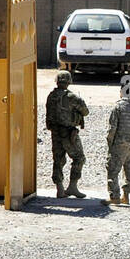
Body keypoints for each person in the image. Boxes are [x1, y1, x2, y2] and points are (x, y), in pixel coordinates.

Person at [45, 70, 89, 198]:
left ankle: (59, 189)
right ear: (69, 81)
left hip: (55, 132)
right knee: (79, 158)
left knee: (58, 160)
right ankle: (72, 187)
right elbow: (85, 112)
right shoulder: (72, 97)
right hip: (69, 133)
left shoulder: (51, 96)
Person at [106, 81, 130, 205]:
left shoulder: (117, 107)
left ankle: (114, 197)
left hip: (118, 143)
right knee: (128, 169)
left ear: (121, 93)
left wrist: (110, 142)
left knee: (113, 169)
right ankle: (126, 196)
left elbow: (112, 128)